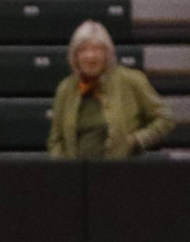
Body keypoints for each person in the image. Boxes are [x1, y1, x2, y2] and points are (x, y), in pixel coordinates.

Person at [47, 19, 175, 159]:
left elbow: (165, 118)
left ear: (107, 54)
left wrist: (136, 140)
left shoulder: (131, 80)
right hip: (76, 175)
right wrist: (64, 168)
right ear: (75, 57)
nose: (90, 56)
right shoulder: (65, 88)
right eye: (83, 50)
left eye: (97, 49)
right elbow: (55, 140)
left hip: (121, 172)